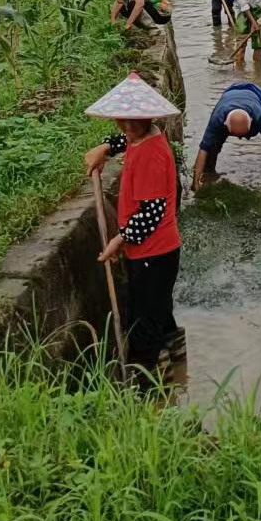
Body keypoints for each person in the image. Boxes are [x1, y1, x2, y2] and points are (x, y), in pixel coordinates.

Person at [84, 72, 184, 386]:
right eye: (121, 121)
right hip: (157, 251)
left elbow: (152, 211)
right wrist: (105, 148)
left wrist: (120, 239)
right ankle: (174, 353)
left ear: (148, 116)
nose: (127, 127)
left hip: (153, 252)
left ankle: (147, 385)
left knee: (142, 320)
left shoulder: (151, 154)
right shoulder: (144, 135)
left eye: (133, 121)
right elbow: (126, 140)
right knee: (158, 308)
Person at [192, 82, 261, 189]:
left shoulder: (260, 116)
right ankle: (209, 173)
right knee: (212, 146)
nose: (240, 139)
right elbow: (204, 148)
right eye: (237, 136)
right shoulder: (218, 118)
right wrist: (195, 183)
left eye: (242, 135)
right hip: (229, 100)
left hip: (254, 99)